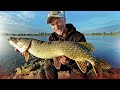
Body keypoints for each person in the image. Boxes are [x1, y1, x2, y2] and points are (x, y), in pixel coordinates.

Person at [45, 11, 92, 79]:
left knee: (82, 72)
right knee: (48, 62)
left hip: (74, 65)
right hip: (59, 64)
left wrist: (69, 61)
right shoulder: (52, 37)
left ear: (64, 20)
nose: (56, 27)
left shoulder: (78, 37)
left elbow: (85, 64)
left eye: (58, 22)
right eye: (53, 24)